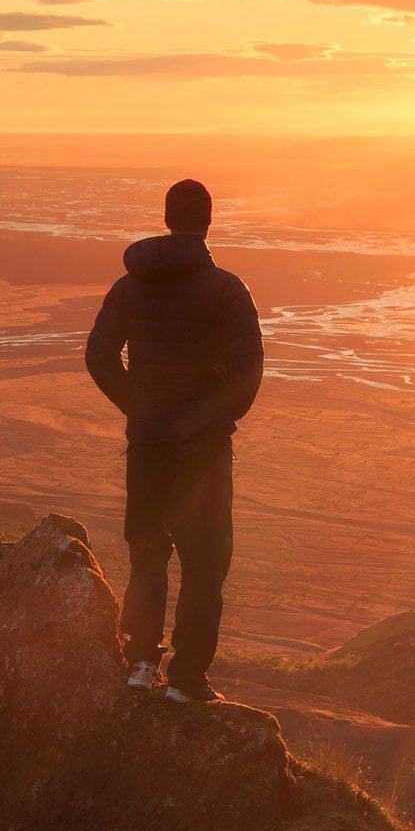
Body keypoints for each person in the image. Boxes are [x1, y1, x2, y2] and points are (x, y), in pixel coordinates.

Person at [85, 178, 263, 703]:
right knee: (205, 565)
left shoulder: (129, 286)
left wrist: (139, 408)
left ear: (165, 220)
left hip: (147, 445)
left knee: (146, 554)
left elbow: (98, 357)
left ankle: (139, 662)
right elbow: (249, 371)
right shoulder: (228, 289)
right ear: (209, 222)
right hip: (203, 450)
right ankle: (186, 681)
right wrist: (216, 420)